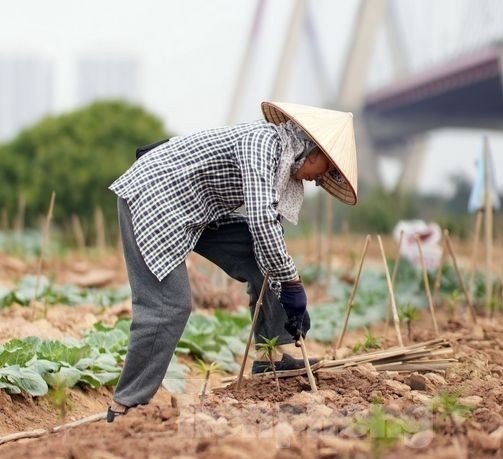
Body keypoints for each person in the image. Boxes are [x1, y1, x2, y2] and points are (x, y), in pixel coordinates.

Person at [106, 101, 358, 422]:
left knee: (260, 256)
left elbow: (268, 234)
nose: (319, 181)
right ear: (315, 151)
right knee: (168, 306)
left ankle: (271, 356)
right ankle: (126, 405)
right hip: (156, 196)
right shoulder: (263, 144)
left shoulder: (281, 157)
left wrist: (284, 286)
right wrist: (292, 284)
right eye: (327, 172)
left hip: (197, 207)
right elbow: (262, 220)